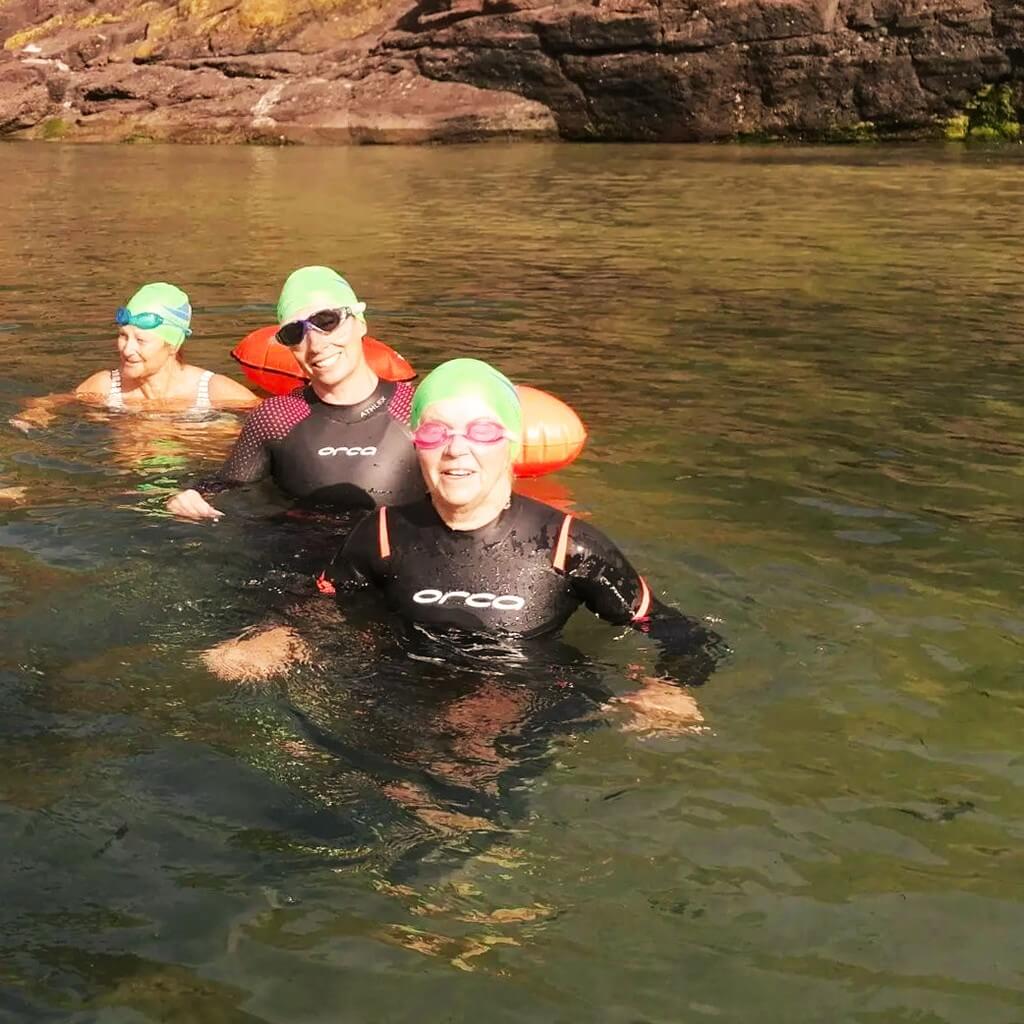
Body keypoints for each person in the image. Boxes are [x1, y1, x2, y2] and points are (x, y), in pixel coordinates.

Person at [206, 358, 725, 734]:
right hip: (395, 698)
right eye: (436, 433)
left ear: (513, 443)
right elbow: (321, 601)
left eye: (481, 431)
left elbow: (680, 633)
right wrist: (274, 636)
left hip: (520, 710)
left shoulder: (568, 545)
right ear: (417, 446)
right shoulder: (384, 532)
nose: (456, 448)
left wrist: (673, 687)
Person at [166, 266, 425, 520]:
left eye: (327, 321)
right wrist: (186, 496)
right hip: (297, 557)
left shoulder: (415, 408)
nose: (316, 344)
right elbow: (227, 484)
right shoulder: (276, 417)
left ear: (360, 323)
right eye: (295, 333)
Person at [9, 282, 256, 432]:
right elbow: (49, 402)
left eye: (141, 340)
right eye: (123, 336)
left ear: (172, 345)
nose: (127, 349)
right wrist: (35, 416)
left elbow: (275, 422)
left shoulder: (213, 391)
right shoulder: (107, 386)